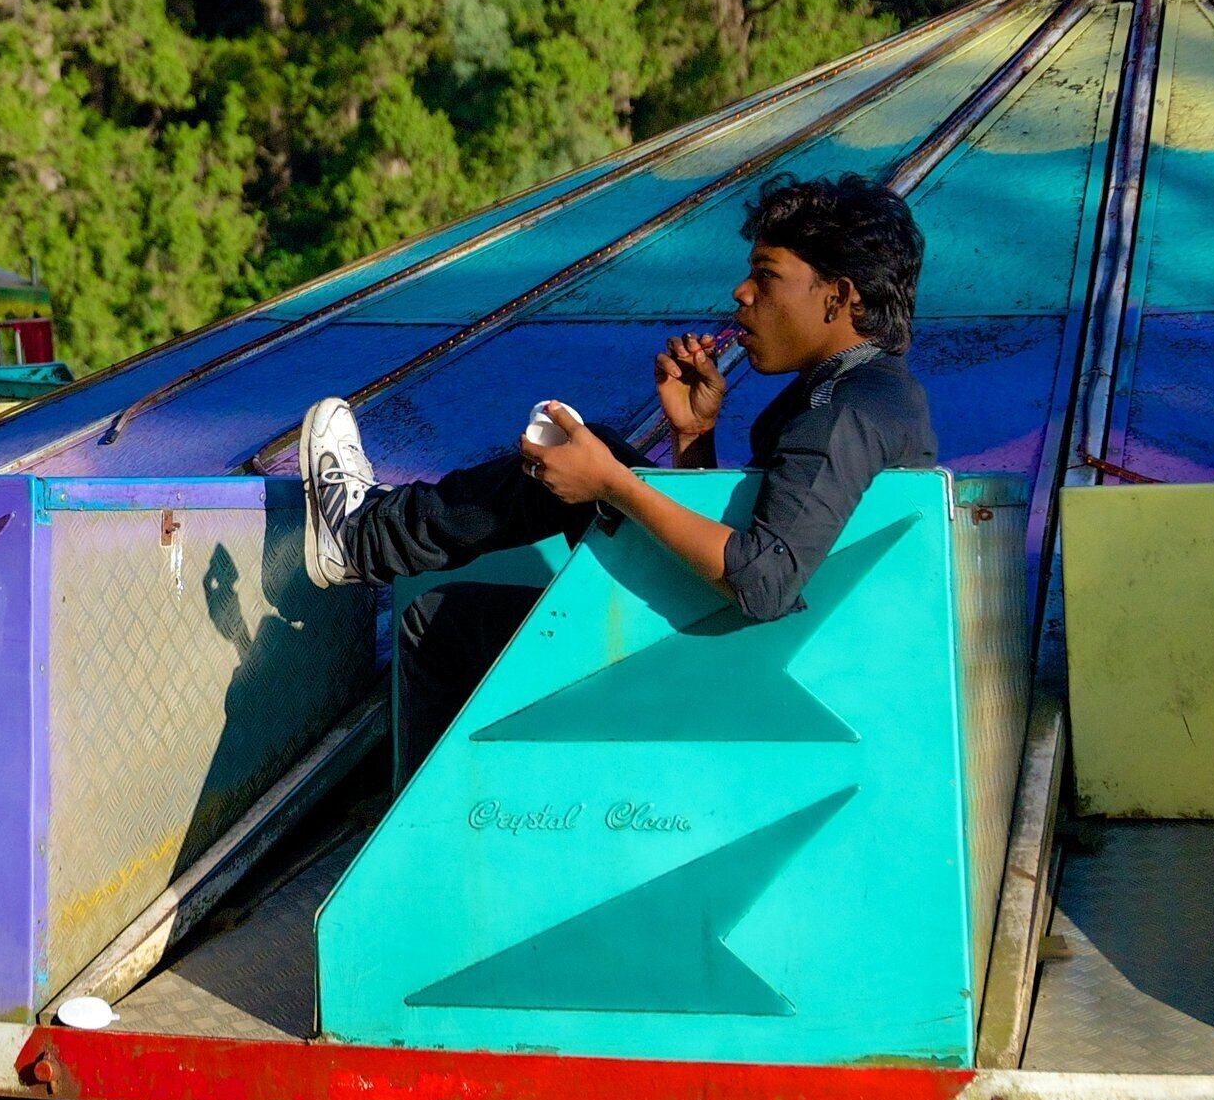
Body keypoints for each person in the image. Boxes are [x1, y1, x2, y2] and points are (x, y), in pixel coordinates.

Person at [301, 170, 935, 759]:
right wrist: (693, 435)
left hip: (754, 670)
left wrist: (614, 483)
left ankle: (362, 540)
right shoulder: (860, 391)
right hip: (765, 651)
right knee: (581, 457)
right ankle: (367, 539)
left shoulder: (842, 411)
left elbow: (765, 580)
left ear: (838, 297)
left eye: (766, 276)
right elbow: (747, 541)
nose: (741, 293)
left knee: (441, 625)